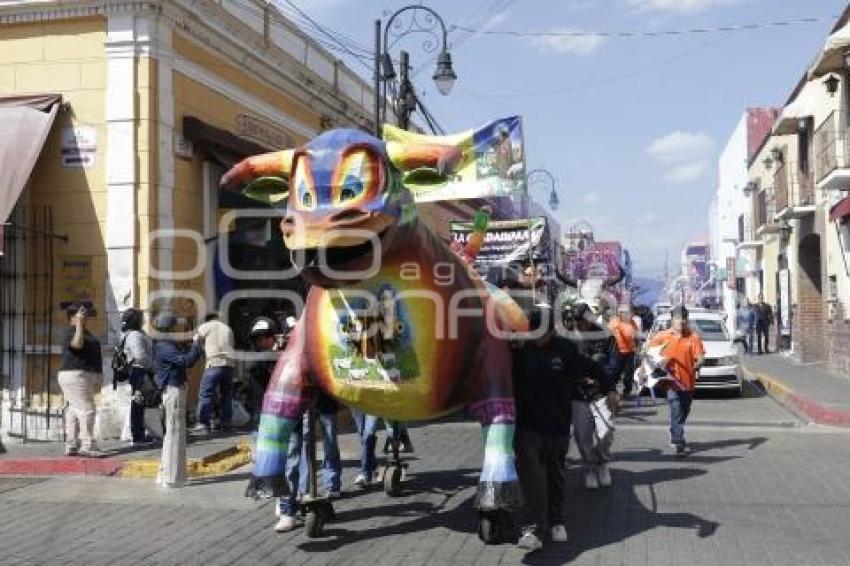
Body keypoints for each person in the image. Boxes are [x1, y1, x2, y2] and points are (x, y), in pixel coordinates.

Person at [512, 305, 608, 552]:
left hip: (556, 426)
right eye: (533, 332)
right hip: (527, 426)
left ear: (552, 330)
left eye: (541, 332)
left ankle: (556, 520)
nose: (537, 337)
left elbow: (592, 368)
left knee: (555, 475)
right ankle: (531, 527)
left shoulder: (565, 350)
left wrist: (611, 390)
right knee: (530, 475)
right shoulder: (519, 351)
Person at [566, 307, 618, 490]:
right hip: (577, 394)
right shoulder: (567, 339)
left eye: (584, 321)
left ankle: (602, 462)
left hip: (601, 392)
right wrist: (577, 380)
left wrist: (609, 387)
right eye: (577, 321)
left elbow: (613, 364)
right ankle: (589, 467)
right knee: (582, 436)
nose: (581, 325)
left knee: (607, 431)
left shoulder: (606, 336)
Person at [275, 393, 343, 532]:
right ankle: (287, 510)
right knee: (292, 458)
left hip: (321, 400)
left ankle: (324, 486)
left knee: (327, 446)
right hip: (293, 405)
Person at [645, 305, 705, 457]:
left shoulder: (693, 337)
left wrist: (697, 364)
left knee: (684, 411)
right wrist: (648, 368)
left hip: (687, 382)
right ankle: (678, 441)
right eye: (678, 318)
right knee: (676, 410)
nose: (681, 322)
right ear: (672, 320)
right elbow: (649, 354)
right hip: (670, 382)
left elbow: (700, 357)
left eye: (684, 319)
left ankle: (674, 430)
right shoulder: (662, 336)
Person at [153, 312, 203, 488]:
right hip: (173, 390)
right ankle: (172, 477)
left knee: (173, 434)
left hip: (175, 389)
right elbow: (186, 361)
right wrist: (197, 344)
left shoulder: (165, 345)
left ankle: (165, 473)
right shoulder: (164, 346)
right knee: (175, 434)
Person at [58, 303, 103, 457]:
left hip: (79, 375)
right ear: (73, 316)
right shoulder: (71, 331)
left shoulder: (82, 331)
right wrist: (78, 324)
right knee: (87, 409)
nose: (86, 317)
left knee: (73, 409)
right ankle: (87, 445)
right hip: (76, 375)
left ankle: (71, 444)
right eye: (82, 313)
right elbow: (77, 345)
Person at [191, 312, 235, 437]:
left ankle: (203, 424)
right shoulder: (228, 329)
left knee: (206, 394)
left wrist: (198, 351)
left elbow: (195, 340)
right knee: (226, 395)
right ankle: (226, 423)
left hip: (214, 364)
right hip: (229, 366)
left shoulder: (207, 325)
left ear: (208, 320)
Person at [121, 308, 155, 445]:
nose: (144, 320)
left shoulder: (137, 333)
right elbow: (140, 355)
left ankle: (139, 433)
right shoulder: (134, 335)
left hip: (140, 370)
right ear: (136, 320)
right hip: (139, 371)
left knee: (140, 402)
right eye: (141, 318)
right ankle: (137, 436)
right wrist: (152, 367)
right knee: (138, 402)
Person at [608, 304, 639, 400]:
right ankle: (612, 391)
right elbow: (612, 331)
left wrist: (637, 347)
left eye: (632, 313)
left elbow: (636, 337)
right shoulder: (615, 321)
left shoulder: (633, 323)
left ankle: (627, 392)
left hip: (630, 352)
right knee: (614, 372)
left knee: (629, 374)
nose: (631, 315)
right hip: (617, 350)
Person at [350, 409, 381, 487]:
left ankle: (365, 473)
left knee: (368, 436)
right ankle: (373, 466)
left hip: (373, 402)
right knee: (363, 436)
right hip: (356, 404)